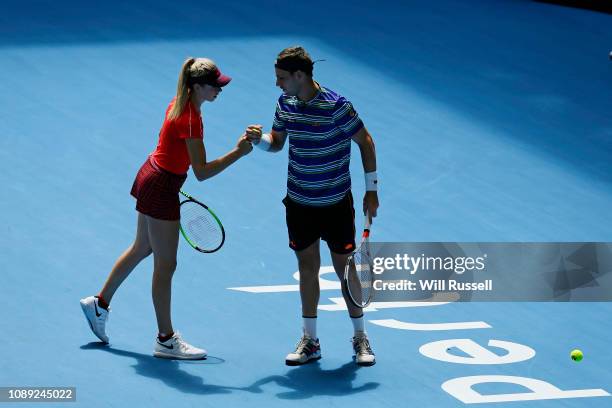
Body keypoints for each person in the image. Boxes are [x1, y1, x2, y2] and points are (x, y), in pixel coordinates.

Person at [80, 57, 252, 359]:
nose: (219, 90)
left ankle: (99, 303)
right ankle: (165, 339)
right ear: (198, 86)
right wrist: (239, 152)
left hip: (152, 174)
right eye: (215, 86)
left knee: (142, 248)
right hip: (161, 185)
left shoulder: (181, 102)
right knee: (165, 264)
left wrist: (171, 178)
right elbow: (202, 171)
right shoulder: (191, 119)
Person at [246, 46, 379, 366]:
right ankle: (311, 340)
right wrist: (259, 141)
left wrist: (371, 190)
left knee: (344, 271)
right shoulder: (285, 103)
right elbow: (276, 144)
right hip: (299, 202)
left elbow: (366, 141)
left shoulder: (337, 106)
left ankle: (361, 337)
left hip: (335, 203)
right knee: (307, 268)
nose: (277, 84)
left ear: (300, 76)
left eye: (281, 78)